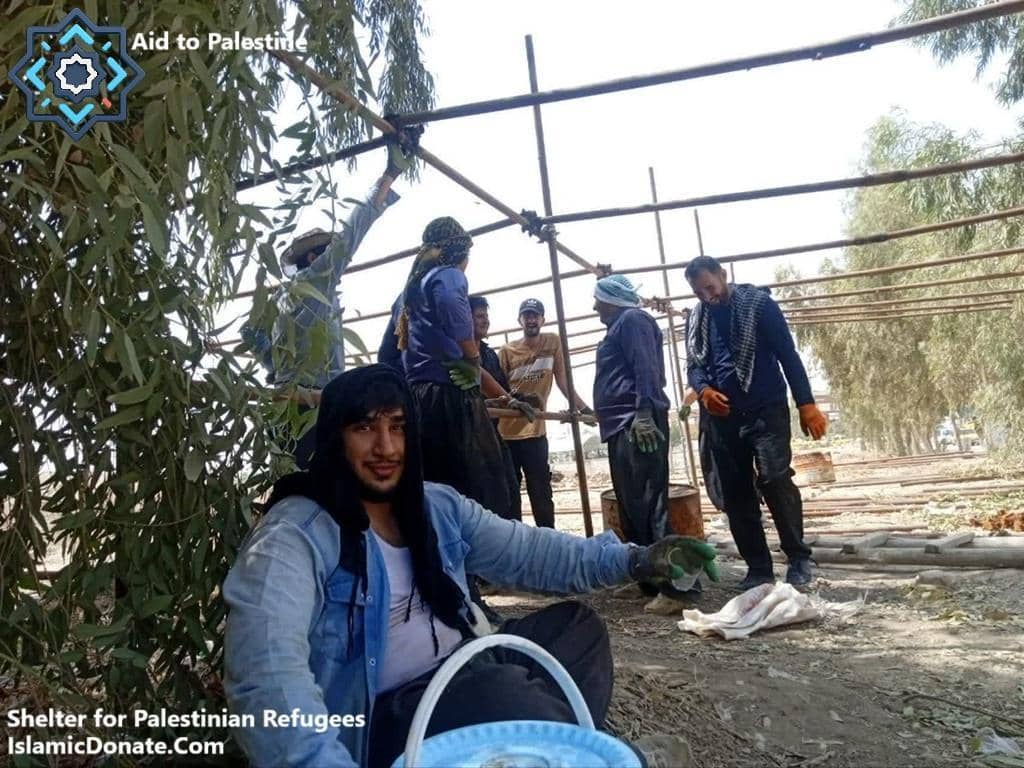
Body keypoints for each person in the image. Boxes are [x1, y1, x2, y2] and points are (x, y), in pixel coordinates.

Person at [223, 365, 712, 768]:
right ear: (335, 438)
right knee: (504, 694)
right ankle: (613, 758)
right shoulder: (297, 534)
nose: (386, 447)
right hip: (386, 715)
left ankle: (532, 749)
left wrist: (636, 559)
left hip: (465, 663)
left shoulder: (434, 507)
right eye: (365, 428)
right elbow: (267, 672)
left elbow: (532, 553)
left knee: (576, 631)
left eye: (397, 426)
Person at [241, 131, 418, 468]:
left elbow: (251, 334)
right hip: (314, 404)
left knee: (293, 479)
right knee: (326, 480)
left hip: (288, 404)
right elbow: (350, 236)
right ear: (313, 259)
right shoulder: (316, 280)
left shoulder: (280, 299)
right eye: (325, 254)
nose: (333, 261)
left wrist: (279, 373)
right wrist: (389, 174)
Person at [684, 255, 828, 589]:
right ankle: (759, 568)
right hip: (723, 419)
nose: (707, 296)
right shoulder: (696, 318)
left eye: (710, 287)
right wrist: (704, 391)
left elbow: (788, 355)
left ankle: (798, 558)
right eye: (699, 292)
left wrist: (806, 403)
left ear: (723, 274)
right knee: (736, 493)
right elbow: (694, 365)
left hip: (765, 410)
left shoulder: (759, 305)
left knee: (775, 479)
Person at [591, 275, 694, 611]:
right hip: (623, 425)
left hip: (638, 425)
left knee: (651, 506)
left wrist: (645, 412)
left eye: (598, 300)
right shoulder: (621, 324)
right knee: (632, 507)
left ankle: (678, 589)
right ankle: (648, 580)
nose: (594, 307)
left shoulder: (632, 320)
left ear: (612, 300)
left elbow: (646, 368)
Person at [497, 298, 592, 528]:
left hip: (535, 433)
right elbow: (499, 390)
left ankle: (548, 537)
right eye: (527, 316)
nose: (531, 320)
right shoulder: (507, 351)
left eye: (535, 315)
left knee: (541, 493)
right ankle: (515, 541)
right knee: (510, 495)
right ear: (519, 320)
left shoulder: (552, 342)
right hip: (506, 435)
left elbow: (562, 379)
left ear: (542, 319)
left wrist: (583, 408)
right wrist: (518, 399)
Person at [469, 294, 522, 521]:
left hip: (491, 433)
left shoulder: (489, 355)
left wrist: (516, 399)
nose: (485, 321)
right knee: (486, 498)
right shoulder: (455, 353)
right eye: (479, 316)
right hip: (470, 438)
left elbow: (501, 391)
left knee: (510, 491)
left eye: (486, 316)